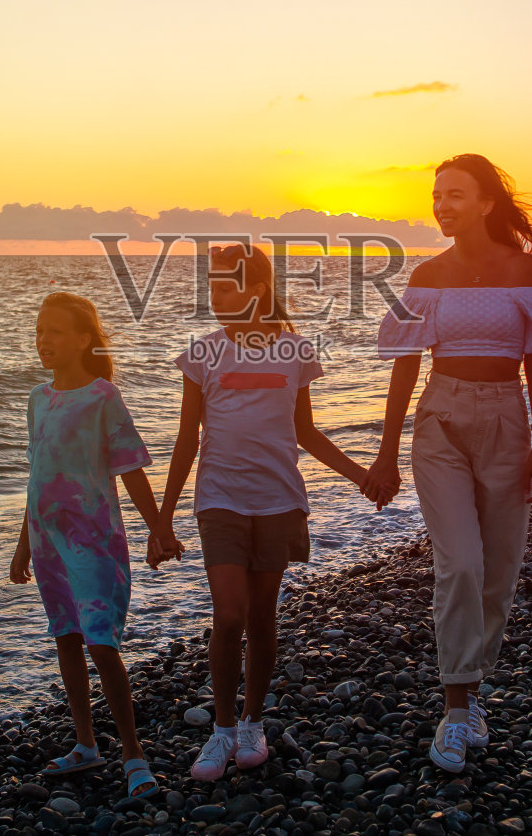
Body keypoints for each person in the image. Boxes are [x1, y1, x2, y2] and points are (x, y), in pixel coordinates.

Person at [366, 154, 532, 775]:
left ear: (487, 203)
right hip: (441, 420)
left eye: (456, 194)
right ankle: (455, 711)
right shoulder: (428, 273)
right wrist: (383, 451)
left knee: (499, 570)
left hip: (509, 419)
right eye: (436, 196)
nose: (442, 205)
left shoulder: (522, 269)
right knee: (459, 562)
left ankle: (473, 692)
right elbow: (405, 358)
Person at [155, 243, 374, 781]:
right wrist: (162, 519)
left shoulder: (295, 351)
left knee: (261, 615)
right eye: (212, 286)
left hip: (278, 499)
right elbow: (186, 438)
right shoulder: (202, 353)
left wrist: (361, 475)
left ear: (255, 290)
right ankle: (223, 728)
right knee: (229, 614)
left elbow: (306, 432)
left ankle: (254, 722)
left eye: (225, 285)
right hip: (220, 499)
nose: (215, 295)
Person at [9, 291, 168, 799]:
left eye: (54, 331)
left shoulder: (103, 396)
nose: (44, 340)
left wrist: (158, 528)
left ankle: (133, 754)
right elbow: (37, 477)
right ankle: (85, 743)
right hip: (46, 540)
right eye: (39, 331)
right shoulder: (37, 398)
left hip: (93, 539)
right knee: (66, 637)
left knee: (102, 642)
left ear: (82, 339)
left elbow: (130, 468)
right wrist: (21, 547)